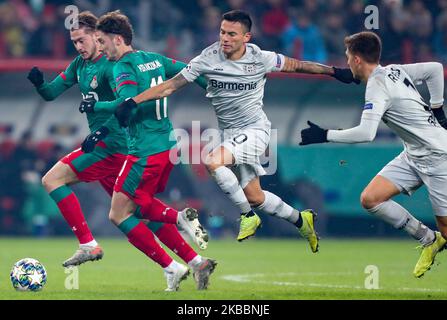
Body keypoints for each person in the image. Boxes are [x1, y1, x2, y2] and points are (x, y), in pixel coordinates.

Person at [112, 10, 359, 252]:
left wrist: (335, 72)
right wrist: (133, 102)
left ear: (246, 38)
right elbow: (169, 86)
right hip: (231, 135)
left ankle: (247, 216)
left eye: (231, 34)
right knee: (256, 196)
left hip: (255, 130)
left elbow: (298, 65)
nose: (225, 38)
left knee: (213, 161)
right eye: (222, 32)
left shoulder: (261, 57)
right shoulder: (206, 59)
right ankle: (300, 220)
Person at [28, 11, 215, 291]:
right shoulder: (81, 64)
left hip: (113, 145)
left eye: (85, 40)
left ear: (99, 35)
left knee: (52, 180)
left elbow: (125, 103)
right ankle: (192, 261)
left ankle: (88, 243)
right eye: (74, 42)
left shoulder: (114, 66)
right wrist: (40, 84)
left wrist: (100, 126)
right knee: (135, 211)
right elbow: (51, 93)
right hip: (128, 146)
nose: (80, 46)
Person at [300, 31, 447, 278]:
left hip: (438, 157)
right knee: (371, 199)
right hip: (413, 154)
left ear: (357, 60)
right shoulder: (395, 70)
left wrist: (325, 135)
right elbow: (434, 69)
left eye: (348, 57)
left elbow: (367, 133)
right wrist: (438, 108)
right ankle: (428, 239)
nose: (347, 62)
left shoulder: (378, 86)